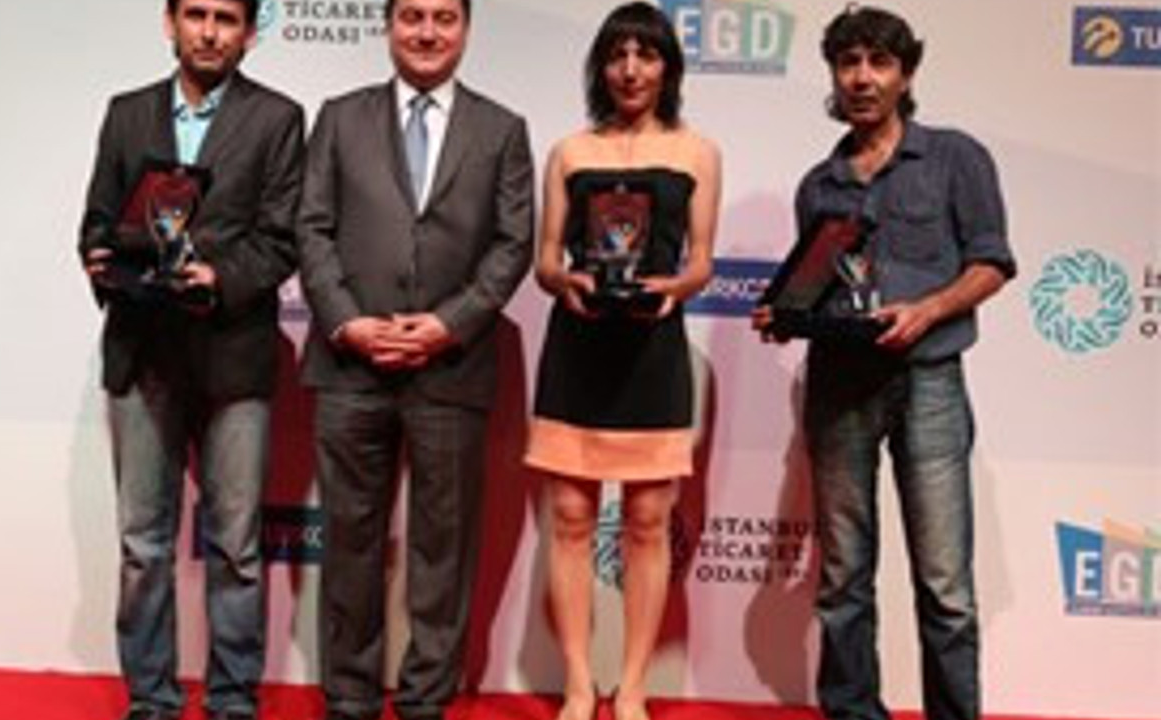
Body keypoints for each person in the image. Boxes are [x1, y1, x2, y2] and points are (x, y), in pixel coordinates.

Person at [752, 7, 1016, 720]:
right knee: (842, 580)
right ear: (833, 74)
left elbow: (992, 262)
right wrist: (785, 317)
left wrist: (927, 310)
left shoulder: (955, 158)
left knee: (946, 585)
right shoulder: (820, 184)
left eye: (879, 62)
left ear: (906, 73)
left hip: (930, 382)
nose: (862, 77)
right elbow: (817, 288)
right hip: (839, 388)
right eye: (849, 62)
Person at [296, 0, 534, 716]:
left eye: (443, 17)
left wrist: (446, 325)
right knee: (350, 542)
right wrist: (347, 323)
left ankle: (426, 701)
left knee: (443, 550)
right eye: (412, 16)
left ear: (465, 28)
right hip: (350, 367)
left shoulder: (501, 129)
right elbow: (311, 228)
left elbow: (512, 245)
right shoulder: (340, 117)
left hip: (450, 368)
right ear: (388, 25)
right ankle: (349, 698)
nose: (427, 32)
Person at [78, 0, 304, 718]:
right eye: (196, 14)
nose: (209, 31)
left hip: (233, 356)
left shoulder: (278, 119)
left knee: (235, 545)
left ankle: (232, 701)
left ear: (250, 32)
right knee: (143, 545)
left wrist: (220, 277)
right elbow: (97, 219)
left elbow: (281, 239)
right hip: (142, 351)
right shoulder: (126, 113)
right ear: (169, 22)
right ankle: (152, 700)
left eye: (226, 18)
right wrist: (98, 257)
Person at [523, 4, 720, 720]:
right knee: (571, 516)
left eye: (646, 55)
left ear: (668, 67)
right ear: (600, 67)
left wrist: (677, 289)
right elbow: (546, 260)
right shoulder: (570, 152)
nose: (631, 70)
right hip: (577, 349)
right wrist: (566, 280)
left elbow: (701, 262)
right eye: (617, 55)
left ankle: (632, 685)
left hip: (652, 350)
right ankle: (580, 682)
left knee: (647, 520)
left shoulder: (697, 152)